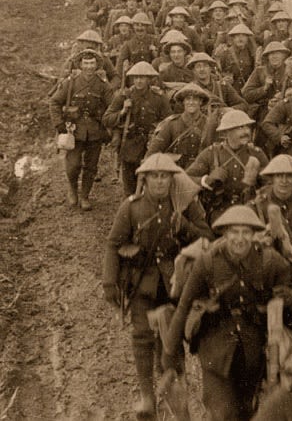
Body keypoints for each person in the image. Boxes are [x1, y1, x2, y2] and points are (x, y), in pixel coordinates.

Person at [102, 153, 212, 418]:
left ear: (172, 179)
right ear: (145, 179)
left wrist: (185, 226)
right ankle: (147, 397)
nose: (160, 182)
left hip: (176, 285)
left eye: (165, 176)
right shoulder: (131, 208)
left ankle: (175, 392)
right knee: (142, 336)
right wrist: (109, 282)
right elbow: (113, 244)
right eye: (155, 177)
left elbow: (208, 238)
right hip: (142, 283)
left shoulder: (185, 205)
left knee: (171, 341)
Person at [163, 205, 292, 421]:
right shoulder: (207, 262)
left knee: (246, 411)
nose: (239, 239)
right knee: (223, 413)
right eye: (234, 232)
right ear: (225, 234)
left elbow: (291, 285)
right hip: (215, 347)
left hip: (252, 350)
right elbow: (184, 305)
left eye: (245, 232)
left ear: (254, 235)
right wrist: (168, 355)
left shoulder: (268, 261)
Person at [49, 48, 114, 209]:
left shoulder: (103, 86)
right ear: (80, 64)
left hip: (95, 132)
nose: (89, 67)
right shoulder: (70, 82)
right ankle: (72, 188)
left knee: (91, 167)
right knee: (73, 165)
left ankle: (85, 196)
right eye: (86, 63)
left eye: (92, 63)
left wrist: (108, 125)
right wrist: (59, 124)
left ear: (97, 65)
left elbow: (113, 105)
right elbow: (54, 102)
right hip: (74, 131)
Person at [186, 108, 268, 224]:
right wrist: (206, 180)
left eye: (247, 127)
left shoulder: (256, 153)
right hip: (218, 213)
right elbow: (185, 179)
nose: (246, 132)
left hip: (249, 211)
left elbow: (270, 184)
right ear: (225, 132)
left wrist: (256, 180)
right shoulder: (211, 153)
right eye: (240, 128)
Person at [103, 61, 171, 196]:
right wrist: (122, 111)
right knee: (129, 188)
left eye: (143, 77)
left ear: (149, 79)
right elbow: (106, 119)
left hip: (151, 145)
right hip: (129, 146)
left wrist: (157, 130)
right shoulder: (124, 96)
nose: (139, 81)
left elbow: (169, 121)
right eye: (136, 77)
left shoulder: (159, 98)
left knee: (150, 185)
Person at [146, 82, 216, 169]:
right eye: (188, 99)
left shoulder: (210, 124)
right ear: (183, 102)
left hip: (201, 173)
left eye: (195, 99)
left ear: (201, 101)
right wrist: (175, 158)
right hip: (177, 172)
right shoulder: (171, 124)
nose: (191, 102)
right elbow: (151, 155)